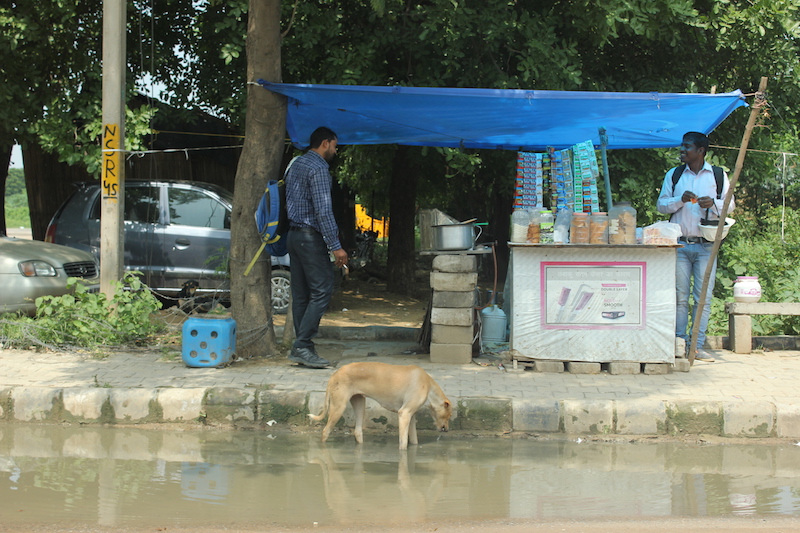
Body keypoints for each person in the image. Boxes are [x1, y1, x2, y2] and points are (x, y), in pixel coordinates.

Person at [657, 131, 734, 363]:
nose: (682, 150)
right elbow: (661, 205)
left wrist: (714, 204)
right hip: (680, 245)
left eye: (687, 147)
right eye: (682, 146)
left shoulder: (718, 175)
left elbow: (730, 207)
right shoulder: (675, 174)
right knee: (680, 298)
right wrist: (680, 200)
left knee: (703, 298)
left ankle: (696, 347)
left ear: (700, 151)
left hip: (706, 246)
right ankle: (679, 344)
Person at [284, 127, 348, 368]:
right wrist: (336, 246)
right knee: (322, 290)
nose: (335, 149)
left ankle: (304, 348)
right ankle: (302, 345)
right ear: (325, 143)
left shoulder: (295, 164)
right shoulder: (319, 168)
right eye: (334, 145)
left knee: (301, 295)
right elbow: (323, 210)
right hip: (310, 238)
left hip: (293, 236)